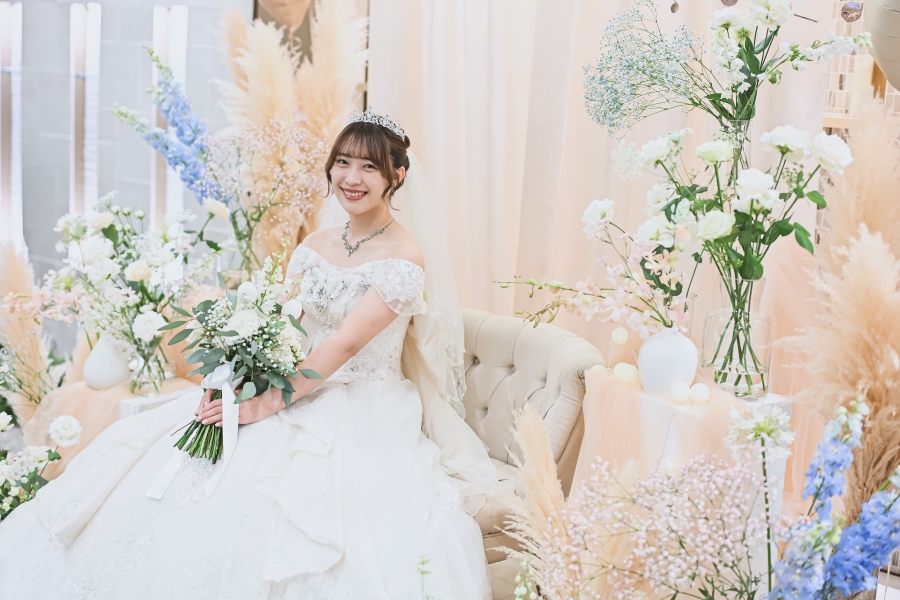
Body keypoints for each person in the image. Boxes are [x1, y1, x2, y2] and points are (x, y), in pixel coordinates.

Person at [0, 109, 498, 599]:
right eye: (343, 162)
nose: (352, 177)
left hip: (360, 399)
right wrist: (237, 379)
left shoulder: (403, 257)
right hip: (294, 377)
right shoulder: (316, 244)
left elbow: (343, 345)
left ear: (397, 175)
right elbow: (282, 325)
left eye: (369, 166)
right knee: (182, 466)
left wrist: (266, 403)